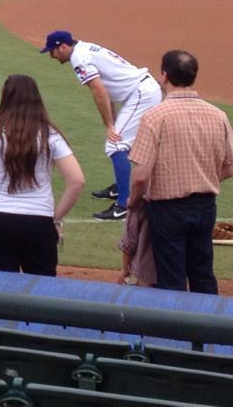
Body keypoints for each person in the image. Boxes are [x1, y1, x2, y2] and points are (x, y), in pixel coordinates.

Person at [128, 50, 233, 294]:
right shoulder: (218, 115)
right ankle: (207, 330)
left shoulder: (155, 117)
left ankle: (173, 331)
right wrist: (203, 179)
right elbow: (230, 166)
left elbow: (141, 175)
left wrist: (134, 200)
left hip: (167, 209)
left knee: (171, 276)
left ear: (164, 76)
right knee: (203, 273)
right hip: (206, 206)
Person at [0, 75, 85, 276]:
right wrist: (56, 219)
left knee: (0, 290)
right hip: (39, 221)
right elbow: (77, 181)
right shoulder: (50, 135)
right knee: (41, 292)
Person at [41, 31, 161, 220]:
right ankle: (120, 188)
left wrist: (109, 126)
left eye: (53, 51)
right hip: (141, 91)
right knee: (122, 142)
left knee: (115, 144)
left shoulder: (79, 58)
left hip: (141, 94)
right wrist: (112, 121)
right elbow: (105, 89)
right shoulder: (84, 49)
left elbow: (98, 90)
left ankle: (123, 206)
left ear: (63, 47)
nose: (52, 56)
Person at [118, 201, 156, 287]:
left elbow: (129, 242)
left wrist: (124, 269)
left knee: (132, 289)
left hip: (141, 273)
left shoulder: (137, 202)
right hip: (171, 270)